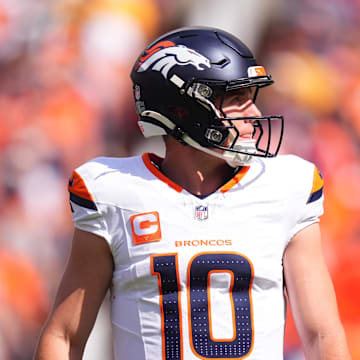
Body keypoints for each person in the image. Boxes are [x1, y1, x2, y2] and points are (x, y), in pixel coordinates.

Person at [34, 27, 351, 360]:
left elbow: (321, 334)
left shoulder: (286, 186)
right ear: (184, 109)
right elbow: (65, 335)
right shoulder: (115, 193)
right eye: (235, 100)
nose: (254, 114)